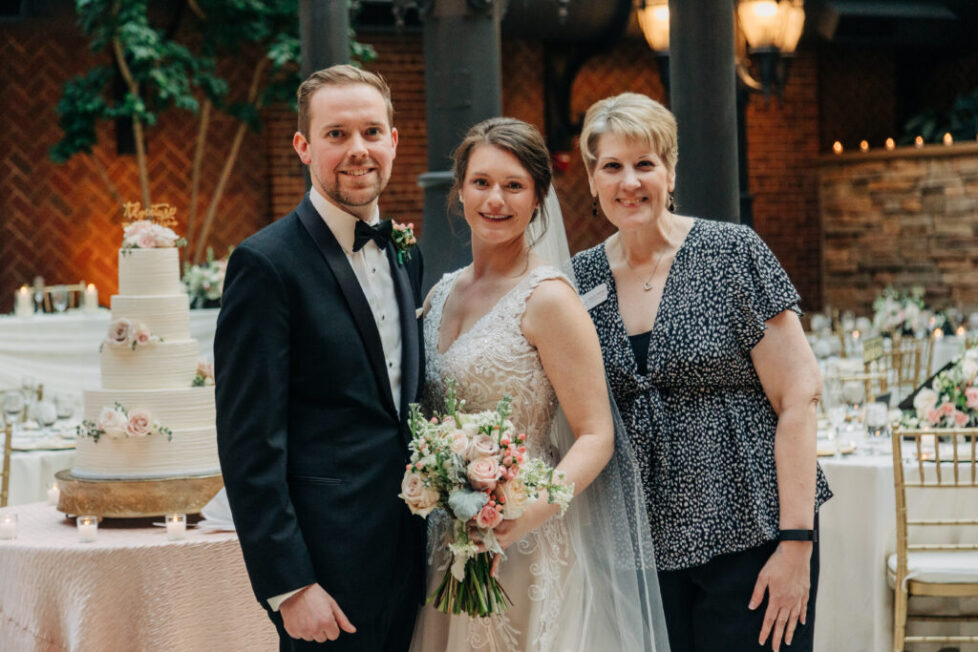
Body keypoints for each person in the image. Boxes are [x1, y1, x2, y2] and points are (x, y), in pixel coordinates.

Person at [569, 92, 832, 652]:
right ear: (592, 180)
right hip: (639, 549)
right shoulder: (578, 277)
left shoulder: (732, 252)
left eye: (645, 164)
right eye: (612, 166)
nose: (630, 182)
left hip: (751, 532)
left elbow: (799, 396)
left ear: (670, 171)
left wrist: (796, 544)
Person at [410, 117, 669, 652]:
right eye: (481, 183)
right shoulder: (437, 295)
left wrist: (531, 513)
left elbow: (597, 434)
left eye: (514, 185)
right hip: (449, 542)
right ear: (459, 191)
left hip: (525, 543)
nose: (495, 200)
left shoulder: (548, 299)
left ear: (538, 198)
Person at [214, 65, 425, 651]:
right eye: (336, 134)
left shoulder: (408, 255)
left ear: (393, 141)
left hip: (414, 561)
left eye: (371, 132)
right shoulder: (264, 265)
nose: (357, 150)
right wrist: (290, 585)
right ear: (304, 146)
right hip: (325, 577)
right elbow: (248, 442)